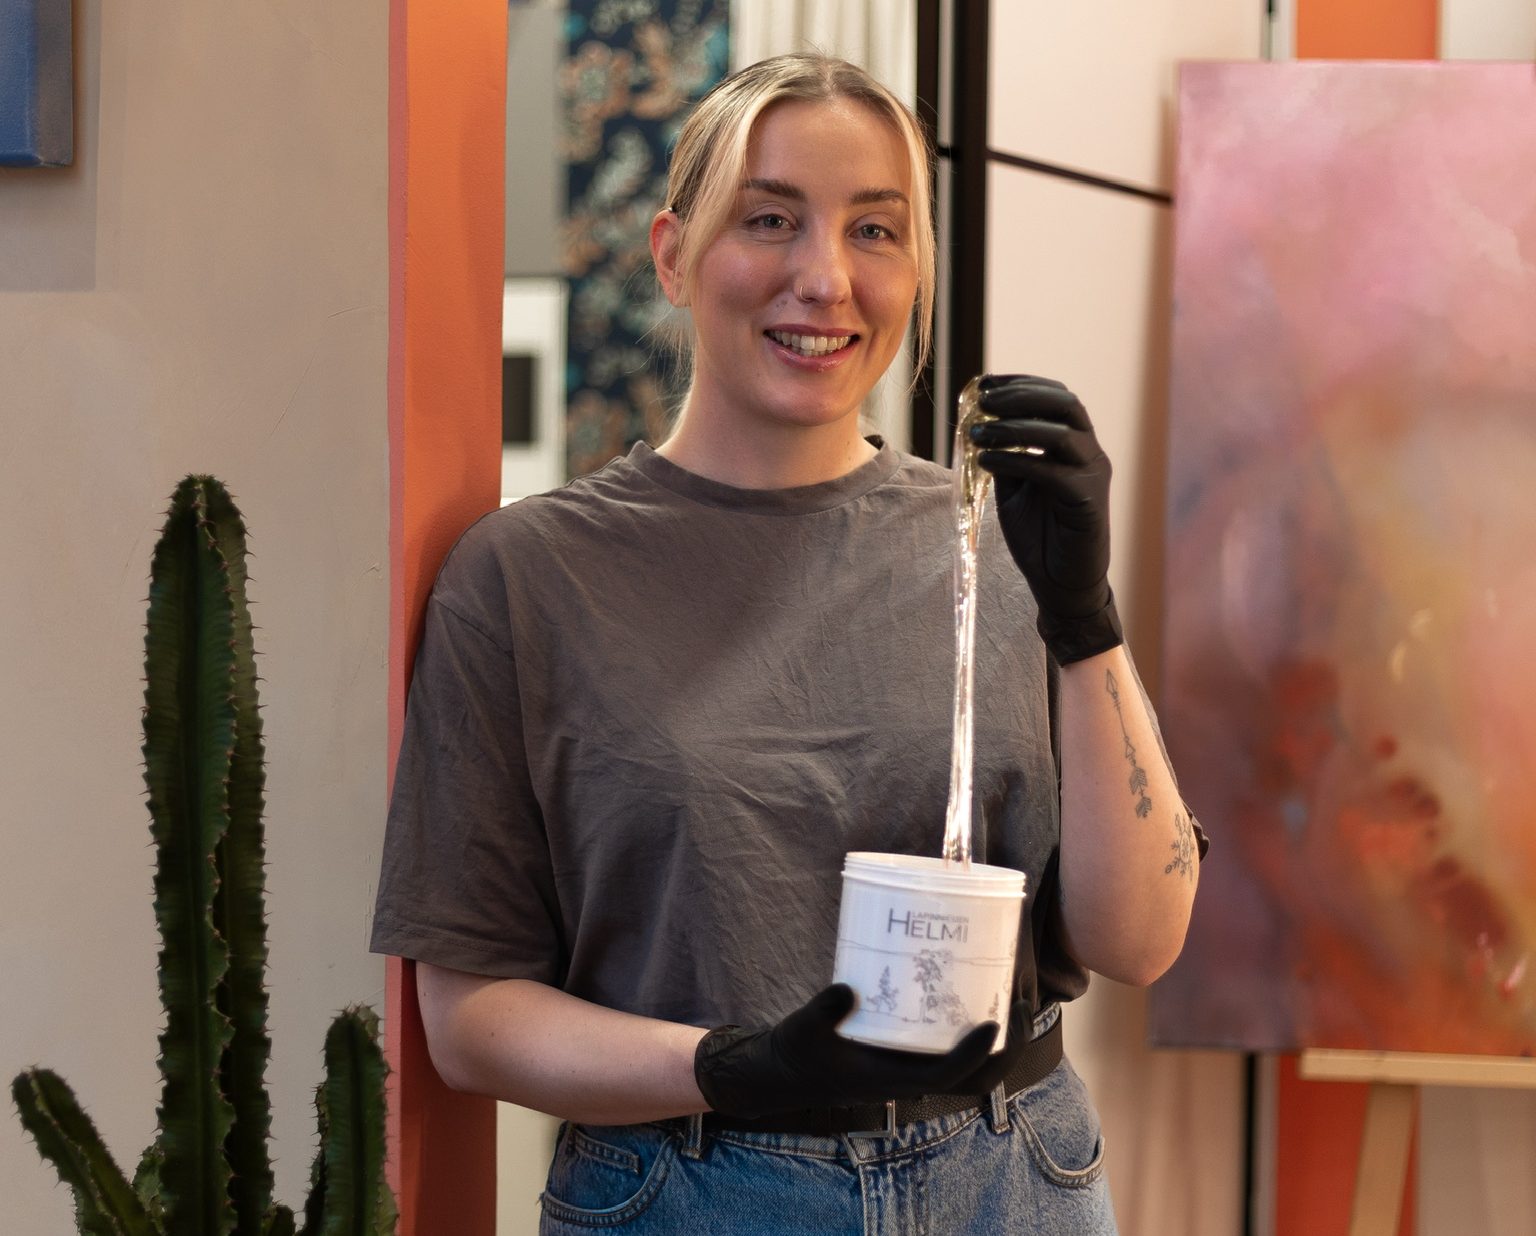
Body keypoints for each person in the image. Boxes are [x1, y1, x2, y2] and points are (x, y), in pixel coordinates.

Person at [372, 51, 1203, 1235]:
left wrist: (1087, 618)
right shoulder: (527, 579)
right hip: (688, 1187)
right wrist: (734, 1066)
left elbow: (1143, 939)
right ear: (673, 255)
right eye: (771, 219)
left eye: (876, 230)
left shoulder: (1000, 546)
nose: (825, 278)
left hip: (1011, 1178)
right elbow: (470, 1022)